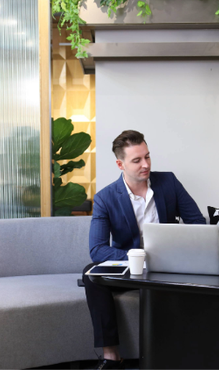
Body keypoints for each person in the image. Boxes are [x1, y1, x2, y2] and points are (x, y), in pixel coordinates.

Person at [83, 130, 206, 369]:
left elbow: (198, 224)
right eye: (137, 160)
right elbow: (97, 250)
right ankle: (111, 356)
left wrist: (175, 249)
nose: (146, 164)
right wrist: (138, 257)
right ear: (120, 164)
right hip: (133, 268)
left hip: (169, 267)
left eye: (147, 157)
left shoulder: (168, 182)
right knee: (91, 273)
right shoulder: (105, 198)